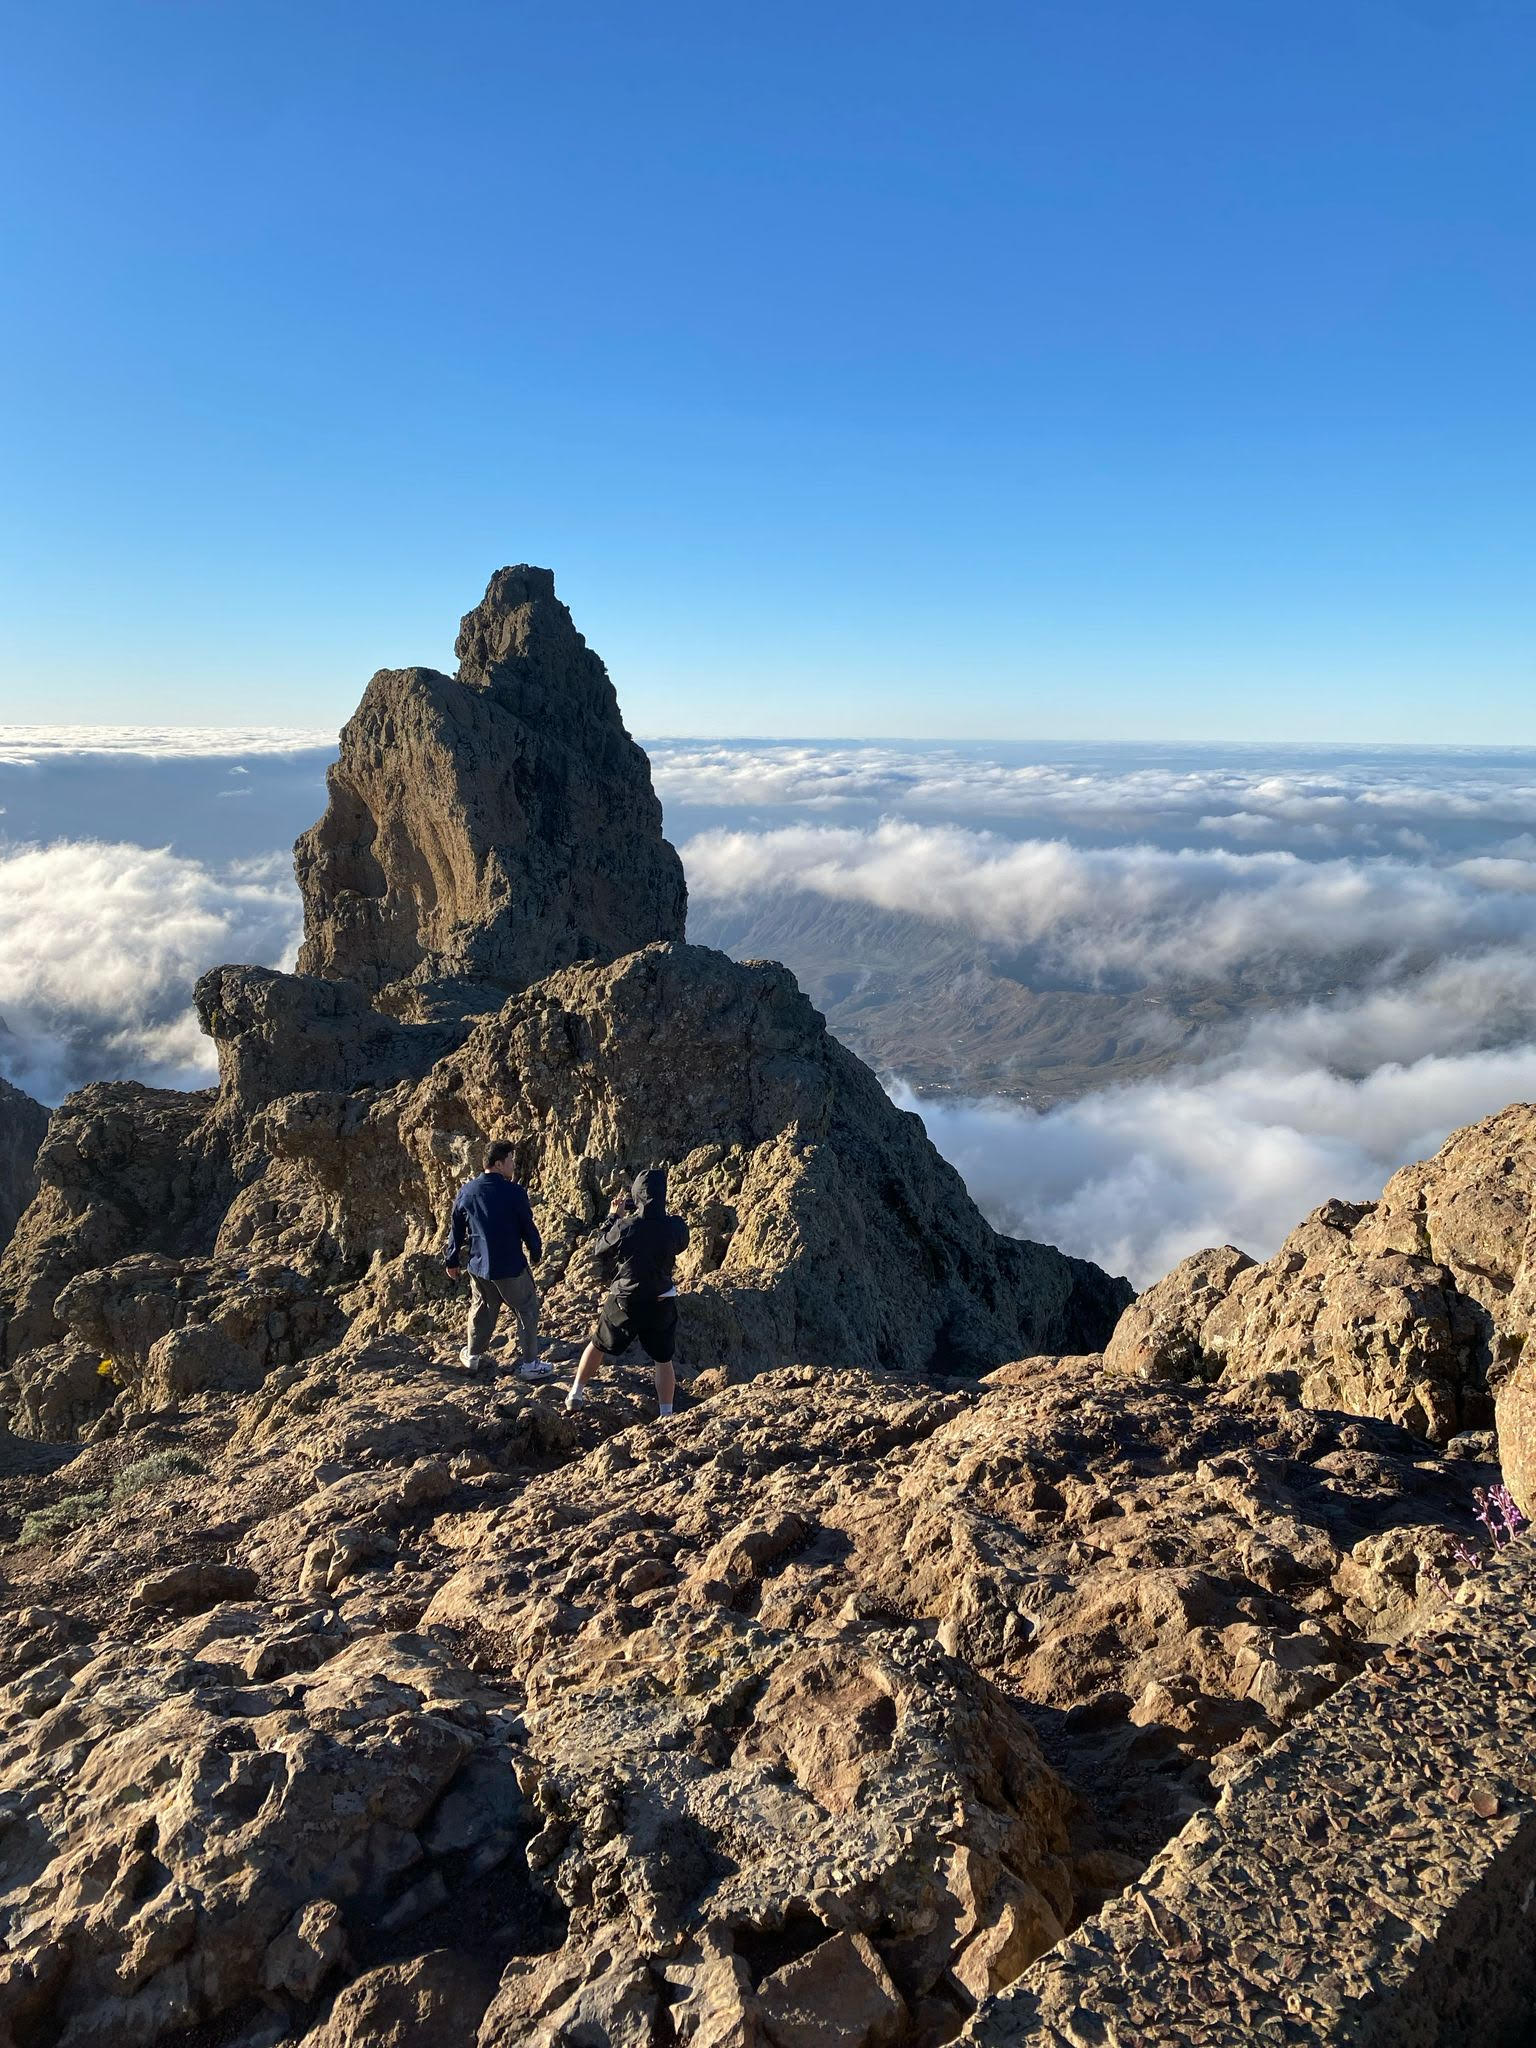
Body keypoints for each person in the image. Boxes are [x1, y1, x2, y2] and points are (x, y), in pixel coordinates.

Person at [567, 1167, 689, 1419]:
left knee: (598, 1343)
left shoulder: (626, 1226)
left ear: (637, 1195)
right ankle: (666, 1414)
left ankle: (576, 1394)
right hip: (661, 1300)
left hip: (626, 1300)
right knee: (663, 1359)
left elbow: (600, 1248)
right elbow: (681, 1243)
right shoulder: (675, 1227)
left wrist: (613, 1217)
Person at [443, 1140, 550, 1378]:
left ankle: (472, 1356)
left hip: (479, 1267)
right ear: (499, 1164)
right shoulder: (514, 1192)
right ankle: (530, 1365)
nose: (514, 1165)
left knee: (482, 1308)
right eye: (510, 1160)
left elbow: (456, 1230)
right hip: (510, 1266)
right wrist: (535, 1251)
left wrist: (452, 1260)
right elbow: (527, 1226)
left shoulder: (467, 1191)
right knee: (526, 1308)